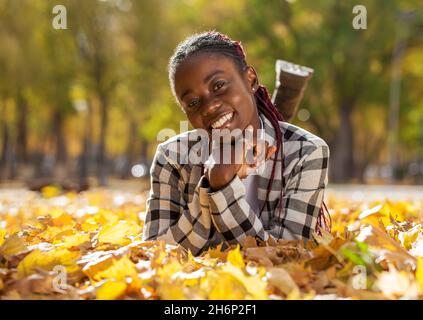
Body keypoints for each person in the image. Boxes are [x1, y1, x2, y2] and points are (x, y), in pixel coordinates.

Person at [142, 31, 330, 255]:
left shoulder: (305, 152)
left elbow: (288, 254)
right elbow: (153, 253)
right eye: (192, 102)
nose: (209, 106)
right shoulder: (172, 156)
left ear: (250, 79)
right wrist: (210, 186)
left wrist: (222, 184)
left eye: (218, 85)